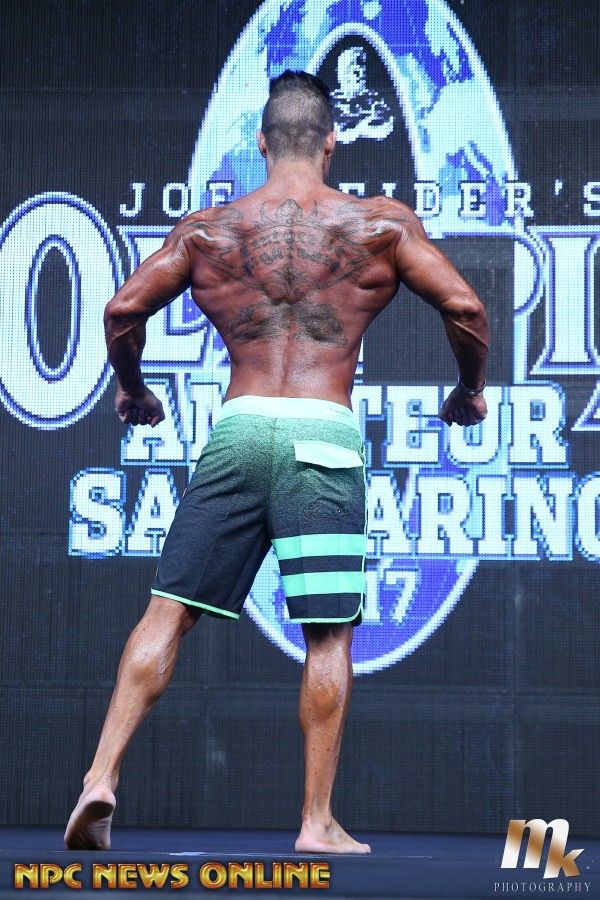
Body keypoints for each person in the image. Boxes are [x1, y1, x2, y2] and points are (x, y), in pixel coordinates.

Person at [64, 70, 488, 855]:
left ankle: (99, 777)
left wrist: (133, 389)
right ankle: (316, 822)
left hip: (239, 427)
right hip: (322, 434)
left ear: (261, 143)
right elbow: (465, 306)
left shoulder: (210, 231)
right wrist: (468, 390)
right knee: (327, 636)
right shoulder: (379, 224)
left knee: (168, 611)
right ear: (332, 143)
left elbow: (122, 310)